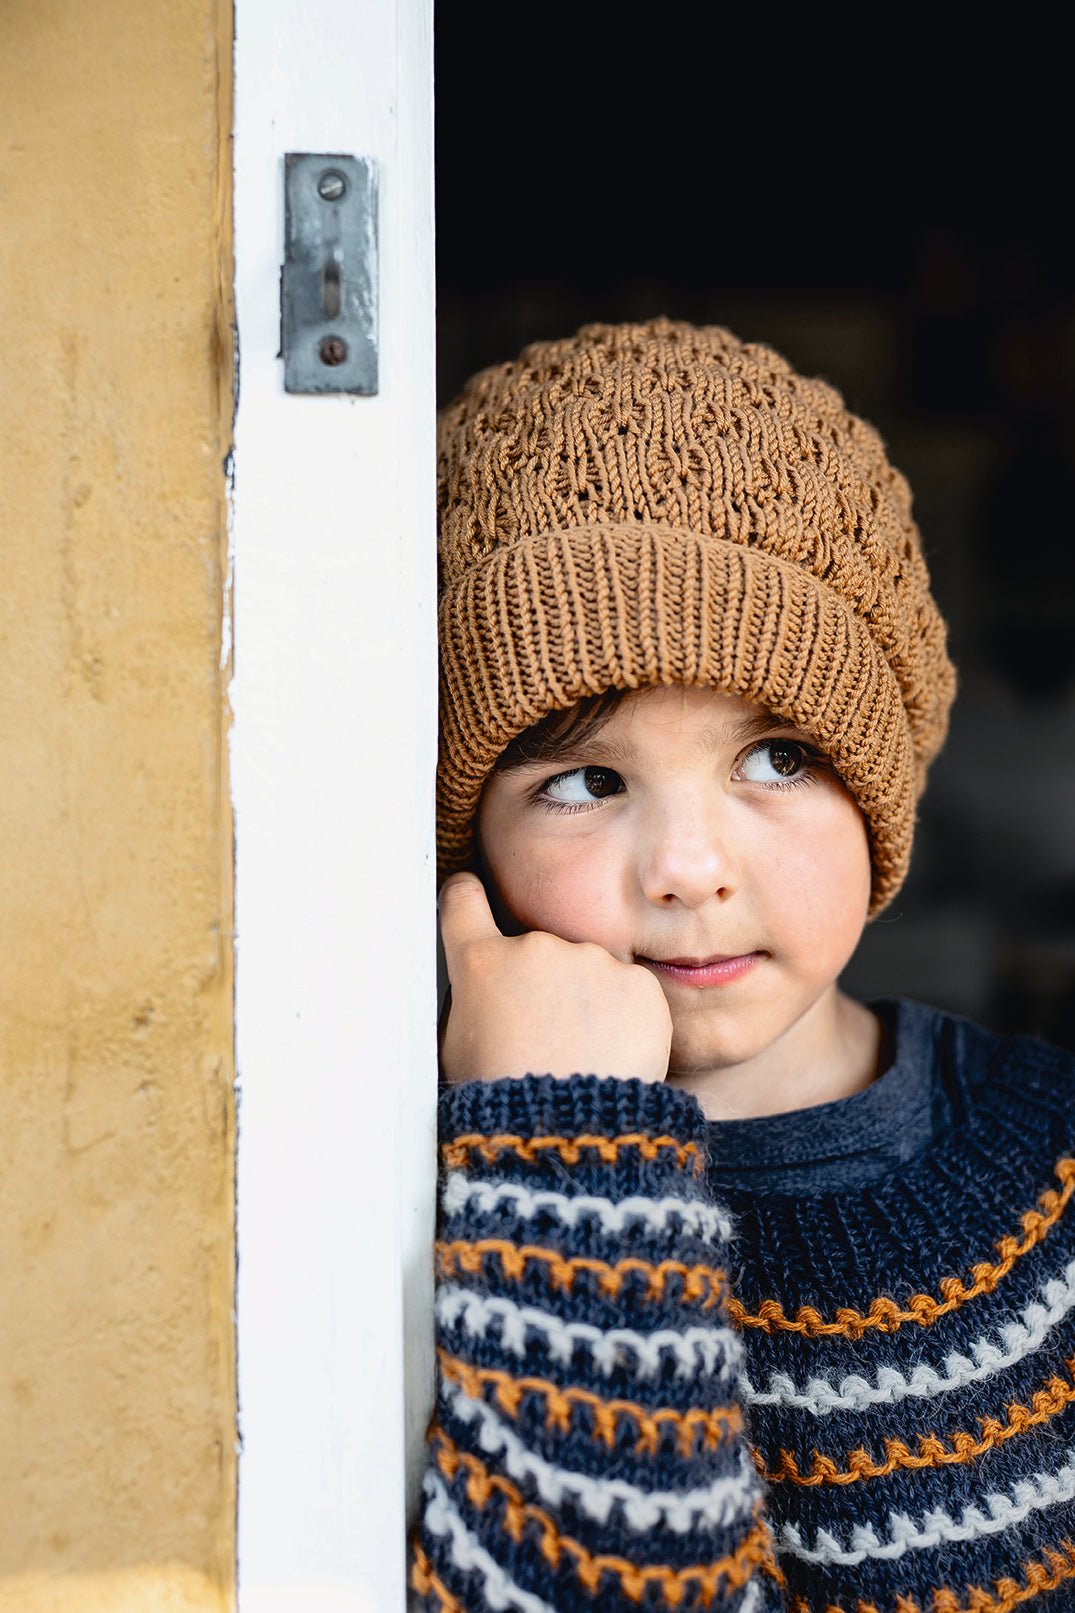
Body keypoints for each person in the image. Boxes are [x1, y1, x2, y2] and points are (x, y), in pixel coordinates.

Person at [410, 319, 1075, 1612]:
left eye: (778, 759)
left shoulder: (1051, 1168)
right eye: (587, 781)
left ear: (883, 787)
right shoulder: (424, 1194)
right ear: (471, 836)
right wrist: (571, 1163)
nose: (687, 868)